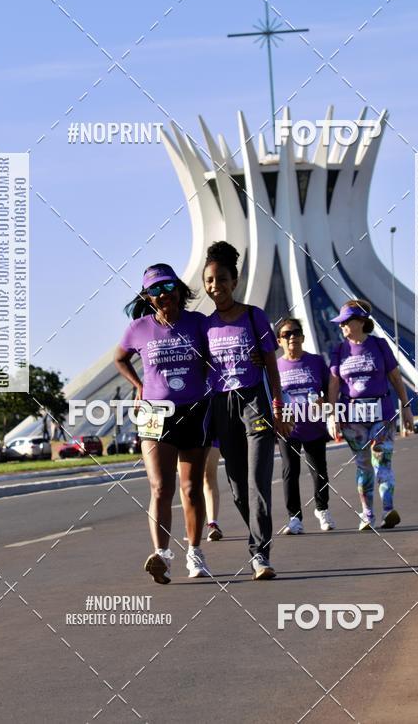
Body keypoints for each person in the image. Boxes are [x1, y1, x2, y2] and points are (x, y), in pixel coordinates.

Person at [114, 263, 212, 584]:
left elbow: (221, 353)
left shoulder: (198, 324)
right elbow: (120, 357)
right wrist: (139, 385)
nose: (163, 294)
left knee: (191, 488)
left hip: (194, 410)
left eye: (168, 287)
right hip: (155, 414)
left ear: (180, 290)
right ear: (148, 297)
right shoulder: (139, 328)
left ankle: (195, 553)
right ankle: (163, 557)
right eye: (155, 290)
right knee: (160, 488)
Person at [203, 241, 293, 580]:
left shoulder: (254, 316)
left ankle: (260, 554)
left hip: (254, 400)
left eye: (222, 279)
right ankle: (258, 534)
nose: (216, 287)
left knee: (258, 480)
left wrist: (278, 406)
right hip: (221, 404)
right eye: (210, 281)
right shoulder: (204, 325)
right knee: (238, 485)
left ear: (234, 280)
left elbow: (271, 363)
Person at [326, 299, 414, 531]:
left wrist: (406, 406)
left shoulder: (379, 345)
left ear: (360, 321)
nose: (342, 326)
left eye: (346, 321)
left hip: (381, 413)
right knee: (363, 465)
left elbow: (396, 378)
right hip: (353, 417)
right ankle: (367, 514)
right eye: (341, 322)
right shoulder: (339, 350)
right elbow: (334, 385)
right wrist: (332, 415)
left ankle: (388, 510)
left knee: (382, 461)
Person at [276, 317, 335, 534]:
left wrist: (325, 404)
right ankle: (294, 518)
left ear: (303, 336)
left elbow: (330, 390)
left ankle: (322, 509)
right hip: (288, 427)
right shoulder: (275, 366)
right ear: (279, 340)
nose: (292, 337)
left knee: (319, 470)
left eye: (296, 333)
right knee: (290, 470)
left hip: (314, 426)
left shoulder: (316, 362)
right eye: (286, 334)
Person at [203, 441, 223, 540]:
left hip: (210, 431)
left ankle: (212, 524)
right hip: (182, 432)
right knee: (189, 481)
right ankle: (192, 522)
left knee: (208, 476)